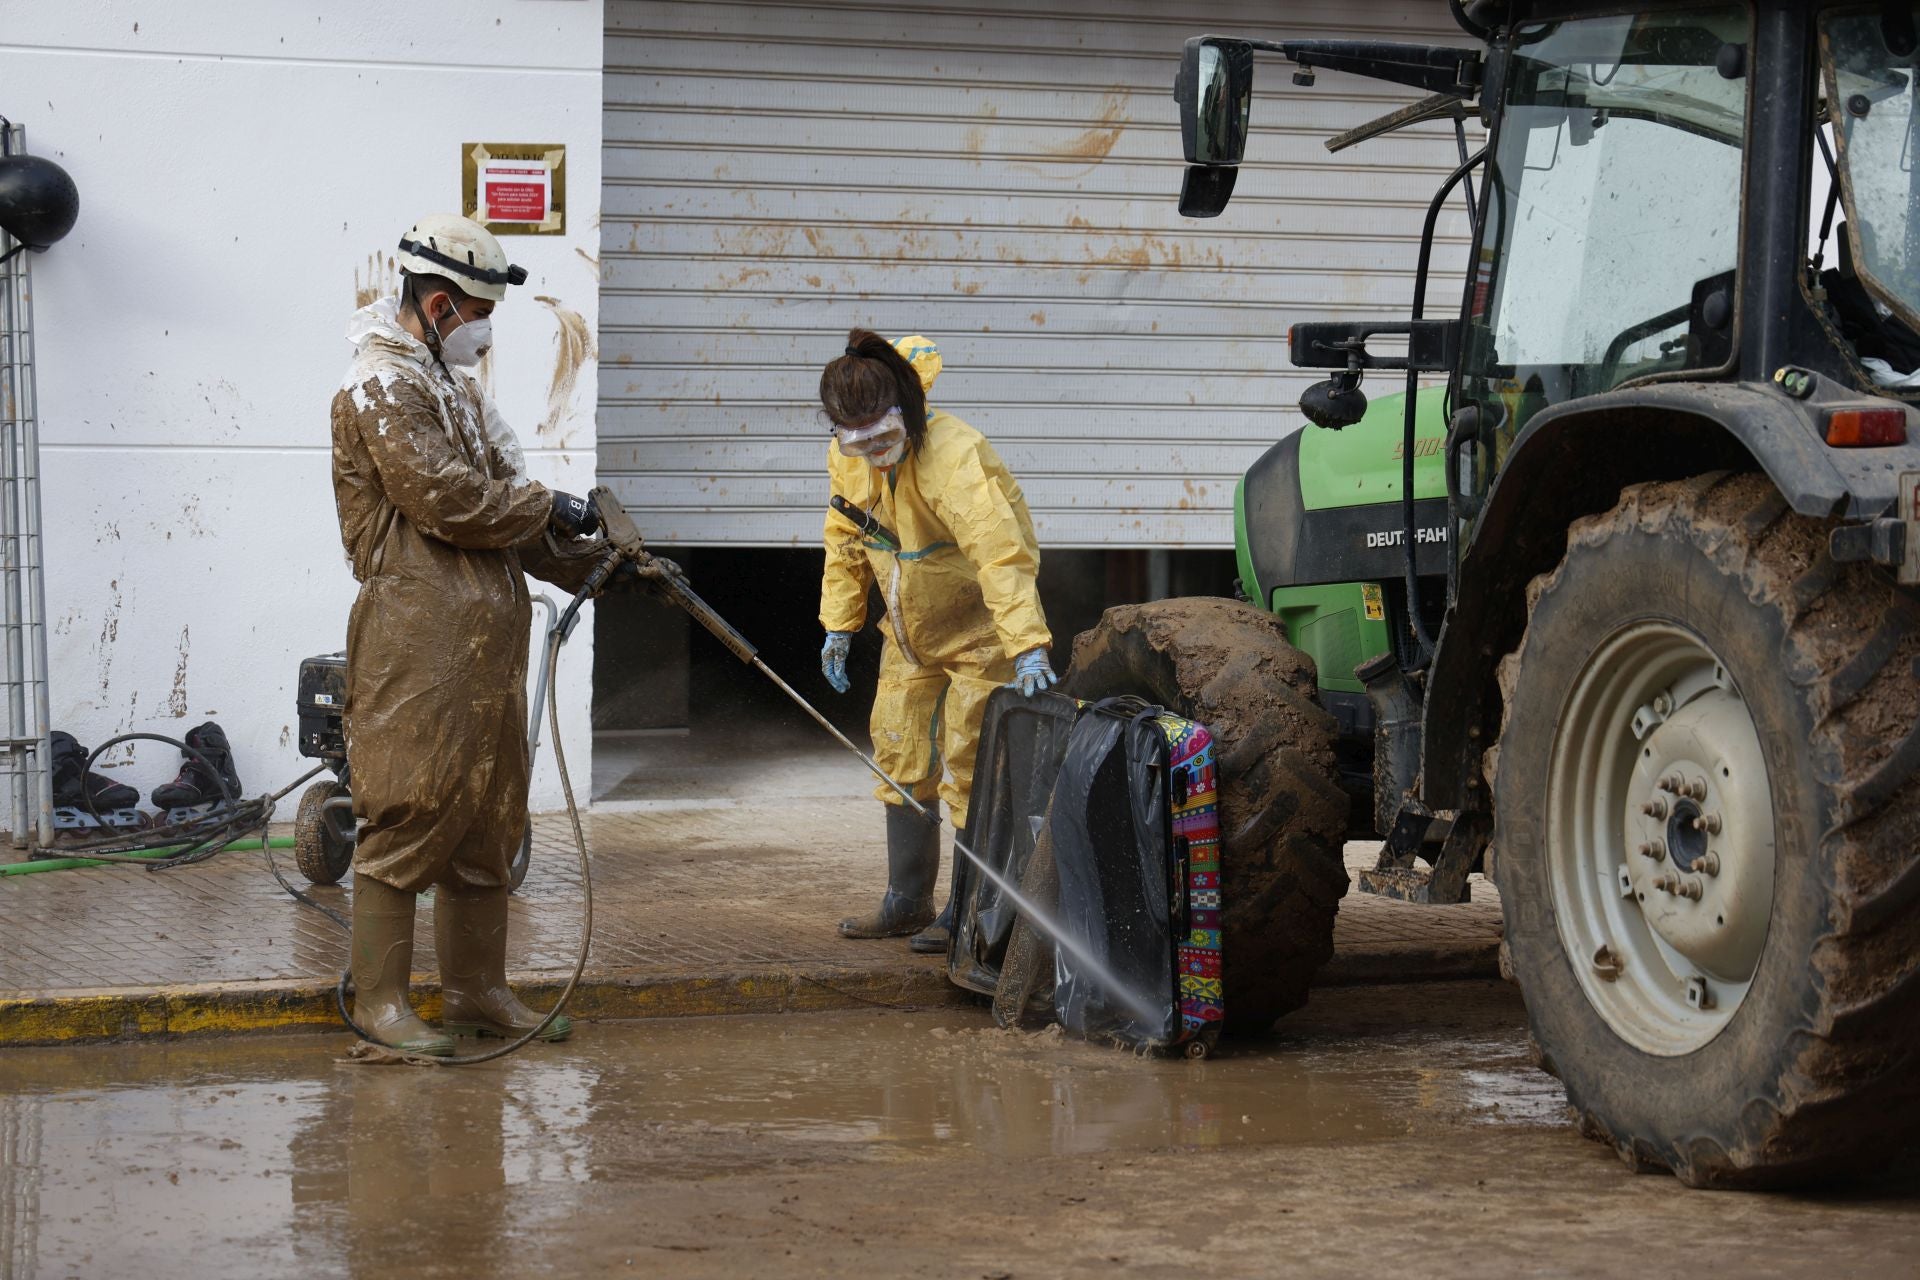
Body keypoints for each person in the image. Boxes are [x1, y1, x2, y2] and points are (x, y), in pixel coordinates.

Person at [330, 213, 668, 1055]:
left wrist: (595, 560)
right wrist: (548, 504)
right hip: (418, 641)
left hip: (485, 649)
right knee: (412, 810)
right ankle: (381, 1004)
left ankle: (477, 991)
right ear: (442, 305)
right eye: (481, 312)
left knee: (487, 820)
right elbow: (444, 498)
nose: (485, 331)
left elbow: (509, 513)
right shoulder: (380, 387)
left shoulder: (454, 392)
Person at [818, 330, 1056, 954]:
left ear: (909, 414)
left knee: (973, 765)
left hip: (981, 633)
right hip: (909, 634)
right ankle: (906, 901)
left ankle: (969, 910)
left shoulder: (954, 455)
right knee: (898, 754)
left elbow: (1001, 553)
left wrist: (1026, 643)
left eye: (882, 437)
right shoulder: (848, 457)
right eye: (855, 439)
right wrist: (839, 625)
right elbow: (844, 542)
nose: (871, 452)